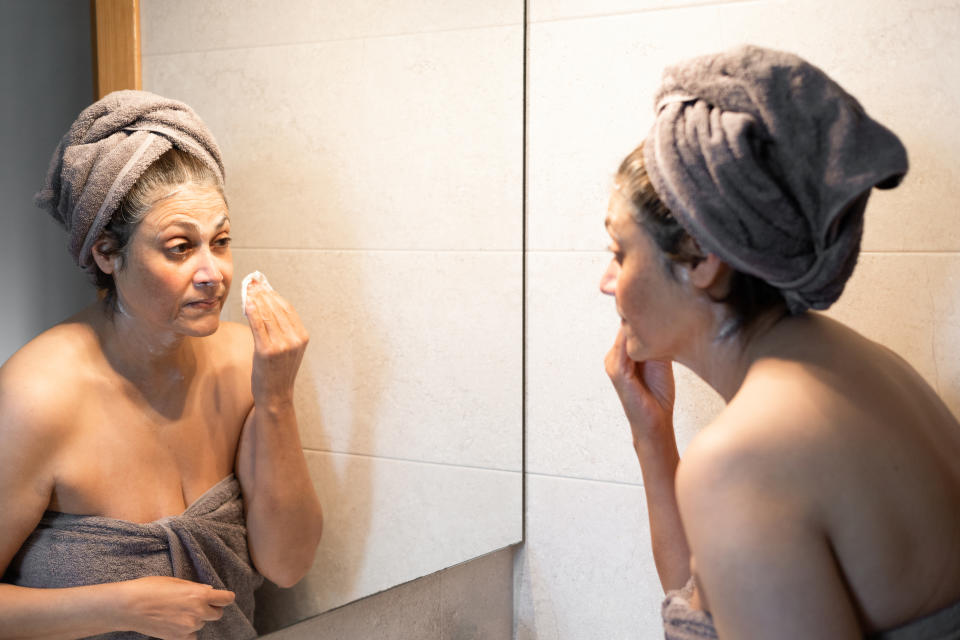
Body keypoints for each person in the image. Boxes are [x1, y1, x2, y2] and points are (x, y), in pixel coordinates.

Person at [600, 45, 960, 639]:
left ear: (703, 260)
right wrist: (652, 436)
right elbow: (711, 596)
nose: (606, 281)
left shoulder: (746, 458)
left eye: (619, 252)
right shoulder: (864, 367)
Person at [0, 91, 323, 639]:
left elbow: (287, 564)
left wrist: (276, 397)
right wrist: (119, 606)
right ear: (106, 253)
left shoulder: (244, 359)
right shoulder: (37, 396)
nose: (211, 273)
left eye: (219, 242)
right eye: (179, 247)